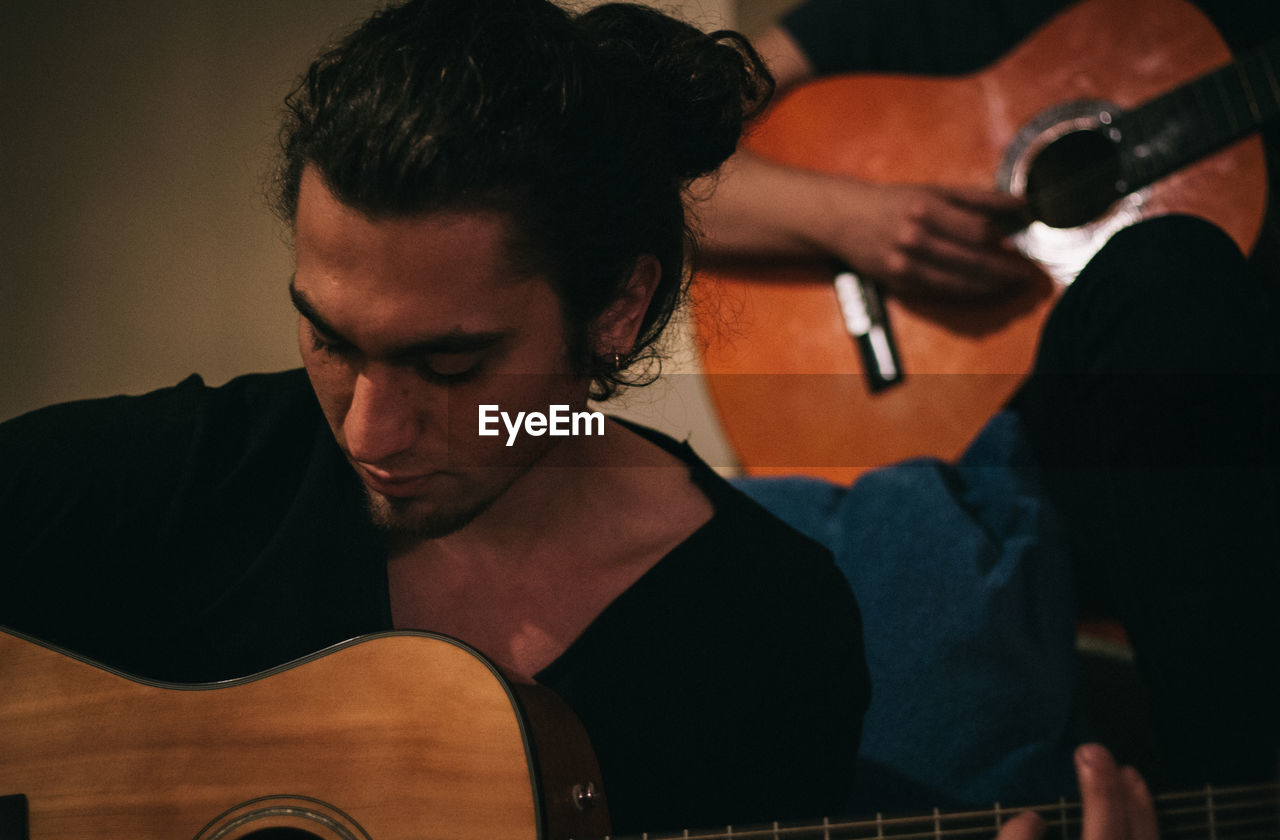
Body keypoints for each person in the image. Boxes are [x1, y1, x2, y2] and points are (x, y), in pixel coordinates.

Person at [0, 0, 1162, 837]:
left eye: (447, 364)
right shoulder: (208, 468)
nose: (365, 431)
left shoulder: (764, 627)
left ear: (617, 306)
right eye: (329, 339)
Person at [695, 0, 1279, 808]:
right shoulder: (870, 24)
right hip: (1009, 455)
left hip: (1202, 464)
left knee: (1172, 280)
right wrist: (859, 221)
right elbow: (650, 161)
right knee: (1164, 275)